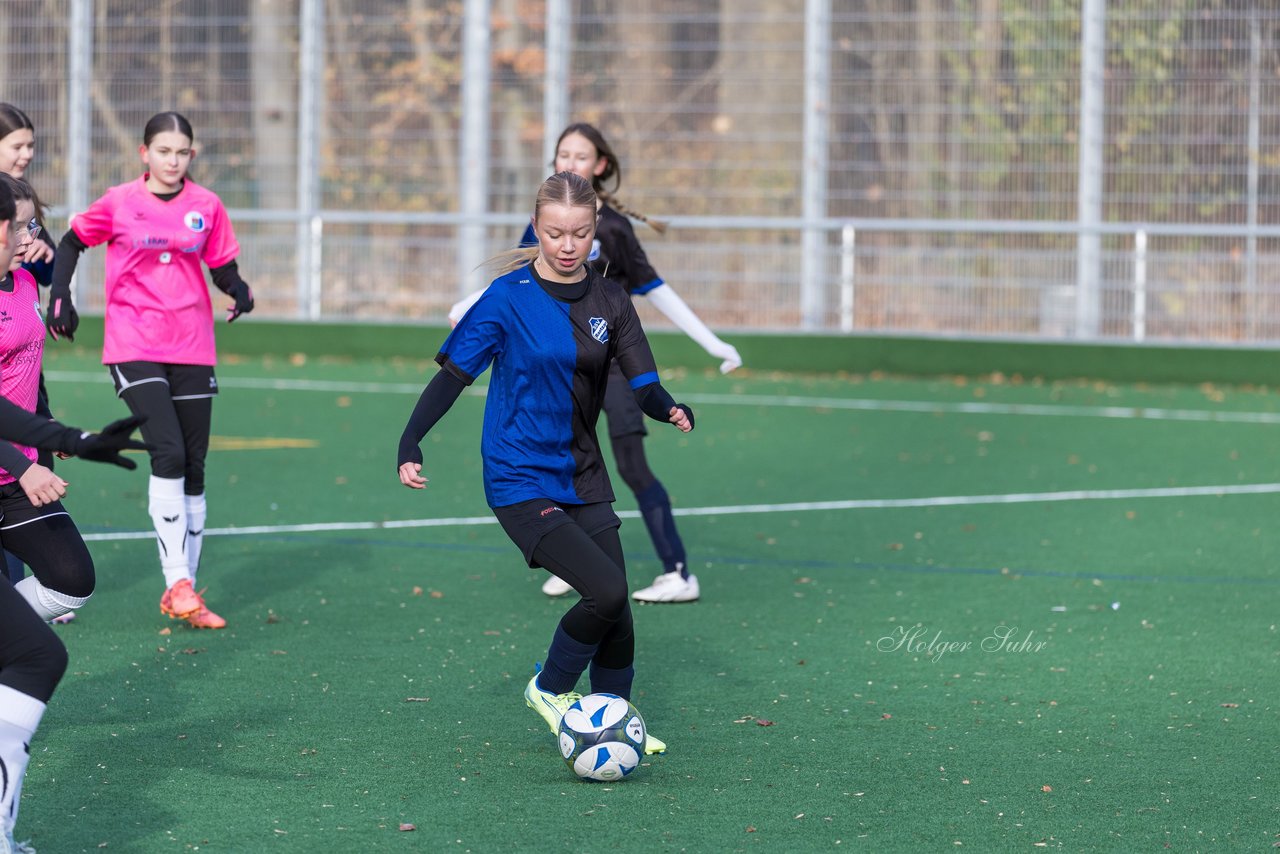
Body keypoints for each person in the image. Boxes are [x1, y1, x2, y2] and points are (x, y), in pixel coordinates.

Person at [400, 171, 695, 752]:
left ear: (594, 235)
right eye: (555, 233)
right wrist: (410, 442)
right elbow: (452, 378)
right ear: (536, 228)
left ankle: (615, 727)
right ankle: (551, 687)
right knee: (606, 592)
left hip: (582, 470)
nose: (566, 245)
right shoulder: (508, 298)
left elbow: (644, 384)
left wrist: (670, 408)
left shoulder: (611, 299)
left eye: (579, 234)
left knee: (619, 616)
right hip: (518, 475)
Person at [450, 122, 740, 603]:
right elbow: (520, 278)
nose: (570, 164)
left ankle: (678, 571)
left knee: (631, 466)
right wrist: (467, 307)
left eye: (580, 156)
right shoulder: (546, 220)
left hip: (613, 367)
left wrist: (712, 342)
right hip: (564, 366)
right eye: (562, 154)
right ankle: (575, 556)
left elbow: (654, 289)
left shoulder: (615, 229)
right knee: (561, 455)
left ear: (600, 166)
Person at [46, 111, 254, 630]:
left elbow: (220, 265)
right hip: (133, 339)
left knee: (195, 463)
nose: (172, 160)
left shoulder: (206, 206)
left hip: (191, 342)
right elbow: (72, 242)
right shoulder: (119, 202)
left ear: (192, 155)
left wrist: (239, 290)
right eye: (163, 151)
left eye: (182, 152)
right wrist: (61, 296)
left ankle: (184, 587)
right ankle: (177, 581)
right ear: (145, 154)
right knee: (168, 449)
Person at [0, 175, 149, 854]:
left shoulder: (23, 283)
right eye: (24, 227)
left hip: (13, 474)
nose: (34, 239)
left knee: (65, 585)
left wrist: (68, 441)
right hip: (12, 470)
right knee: (33, 656)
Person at [0, 104, 62, 604]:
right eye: (16, 144)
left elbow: (44, 279)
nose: (27, 154)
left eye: (30, 144)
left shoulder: (20, 276)